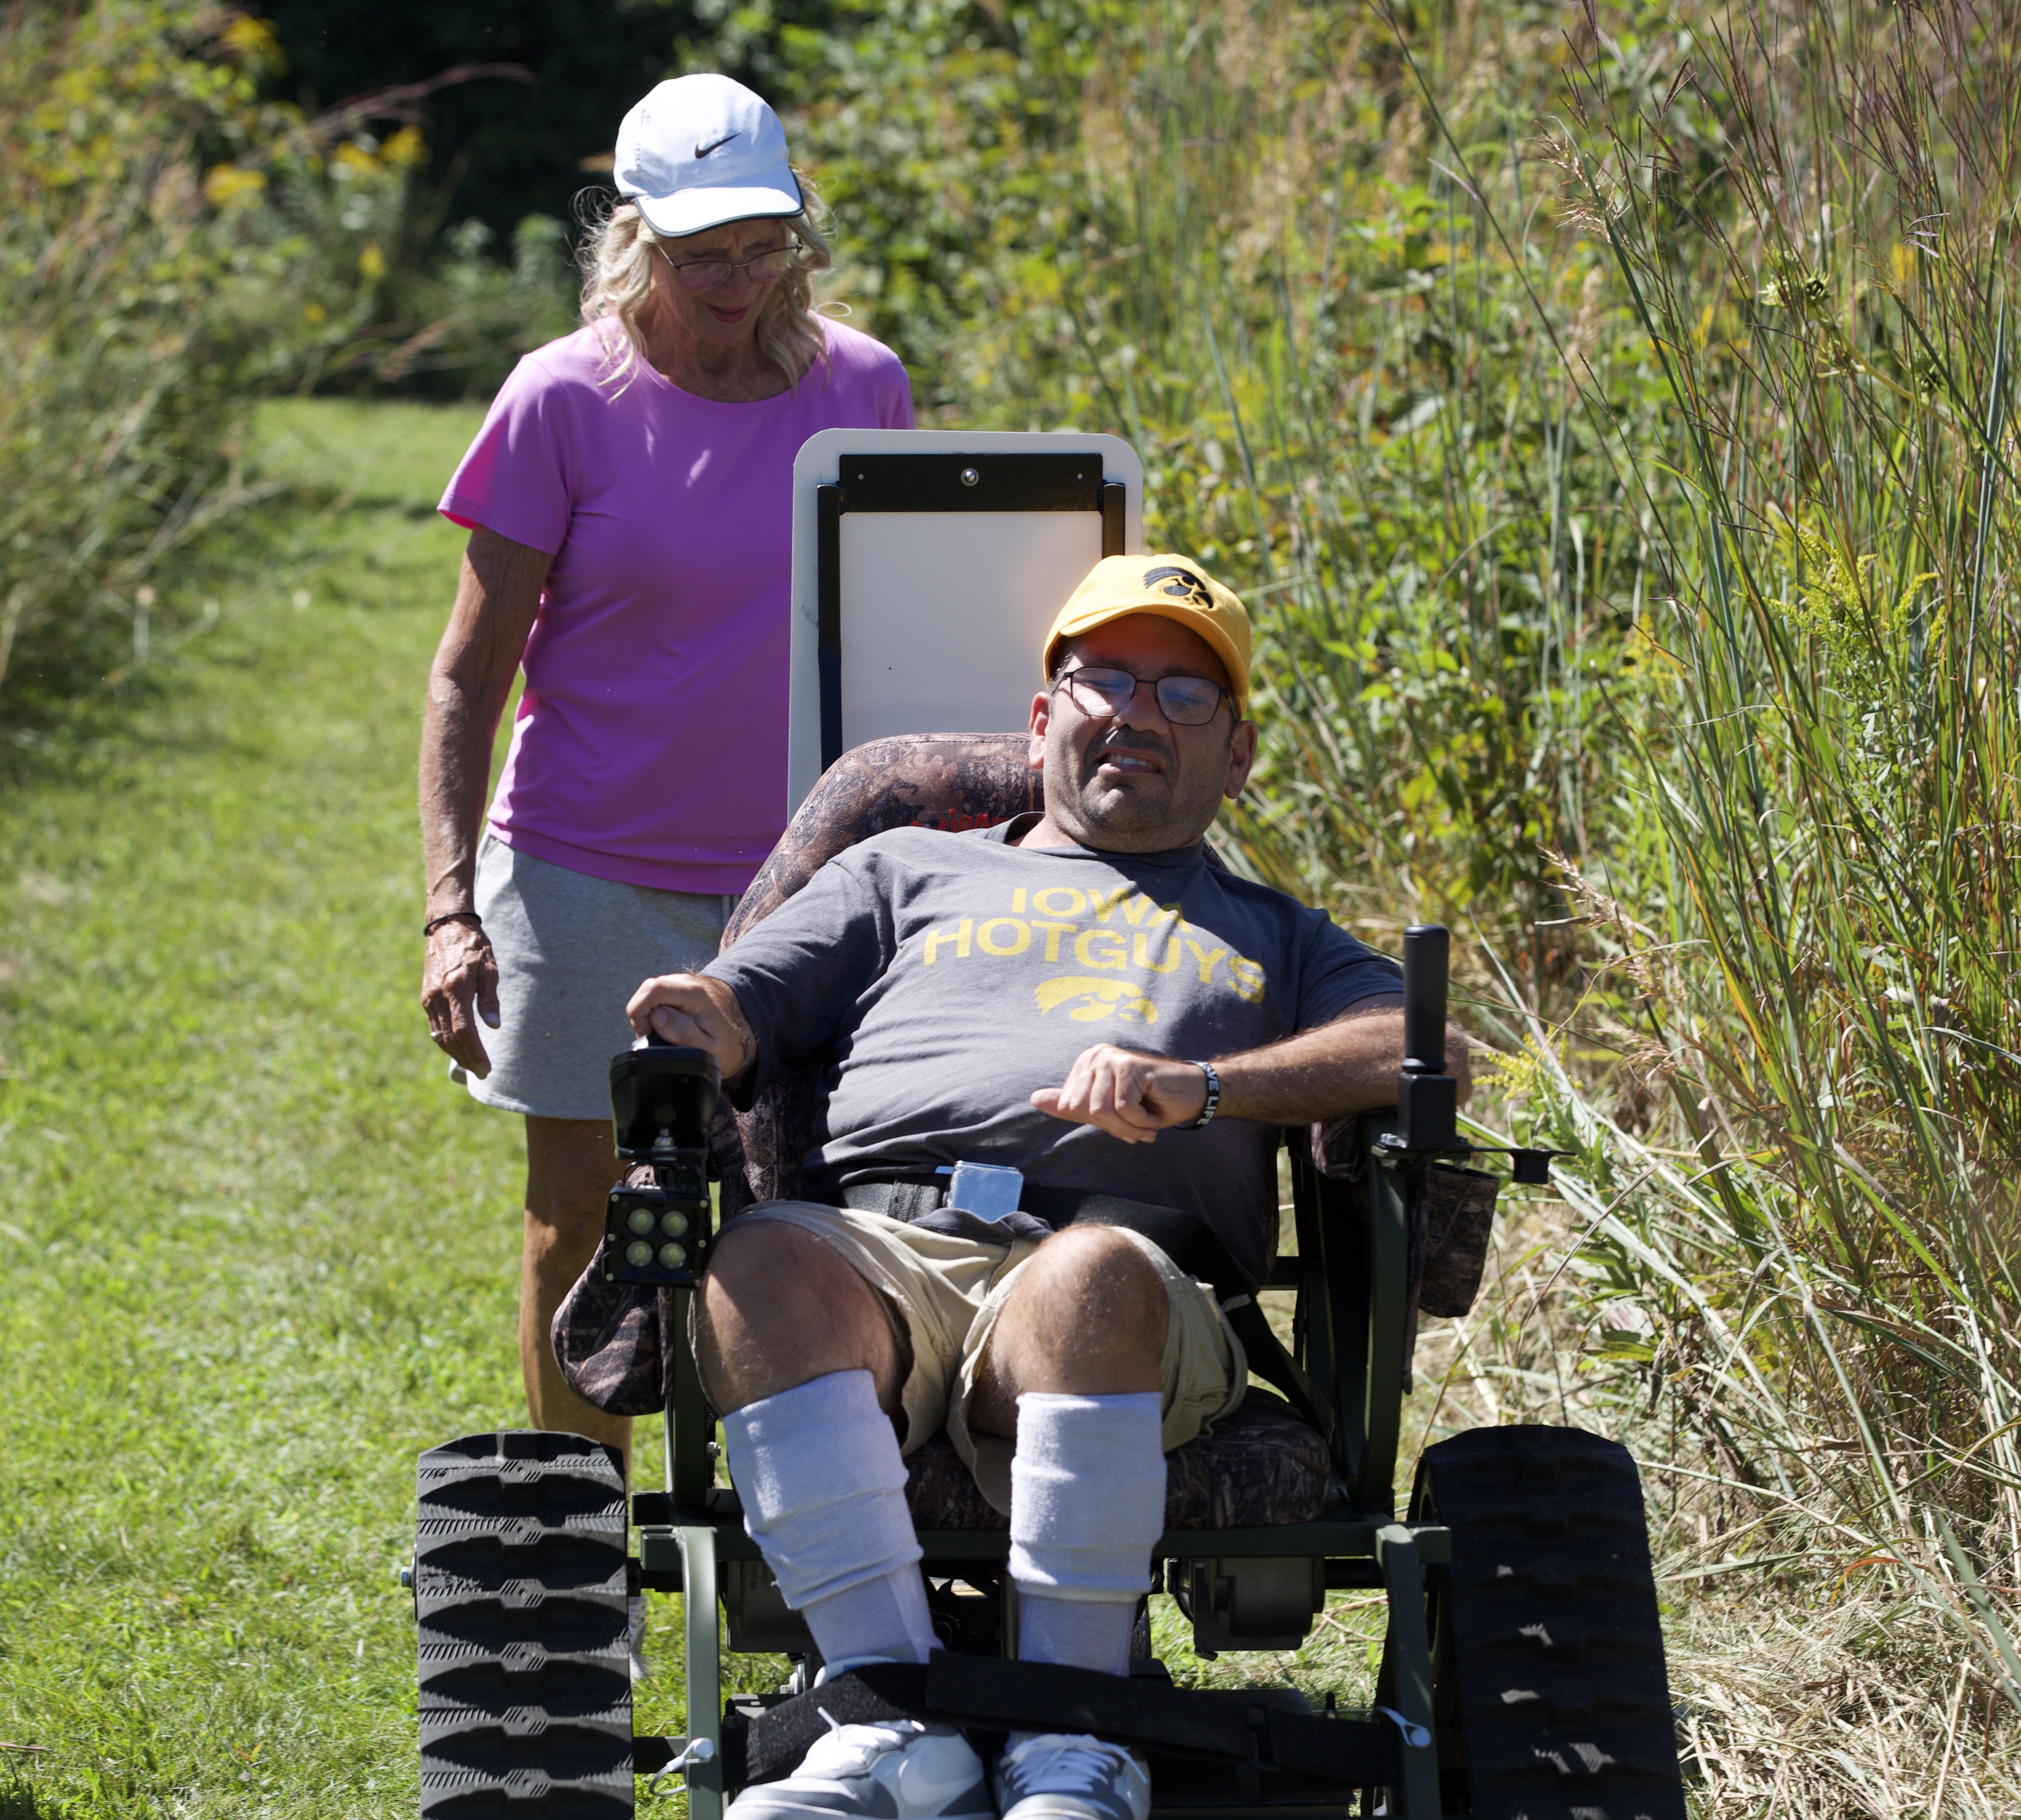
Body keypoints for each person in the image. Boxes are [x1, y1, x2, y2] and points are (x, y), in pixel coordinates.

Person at [626, 555, 1438, 1820]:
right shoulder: (902, 869)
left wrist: (1205, 1088)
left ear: (1237, 756)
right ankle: (886, 1721)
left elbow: (1414, 1044)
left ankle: (1075, 1741)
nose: (1134, 713)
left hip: (1127, 1282)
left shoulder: (1277, 933)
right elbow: (745, 1002)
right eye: (1103, 679)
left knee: (1087, 1279)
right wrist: (700, 1015)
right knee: (757, 1262)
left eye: (1184, 695)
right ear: (1043, 717)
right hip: (881, 1253)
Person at [419, 73, 911, 1461]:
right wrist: (452, 909)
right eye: (705, 257)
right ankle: (582, 1543)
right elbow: (468, 672)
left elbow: (898, 639)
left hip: (801, 886)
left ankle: (806, 1538)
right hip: (587, 875)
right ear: (634, 239)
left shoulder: (864, 388)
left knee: (809, 1217)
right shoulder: (561, 402)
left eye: (767, 249)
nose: (740, 282)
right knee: (586, 1221)